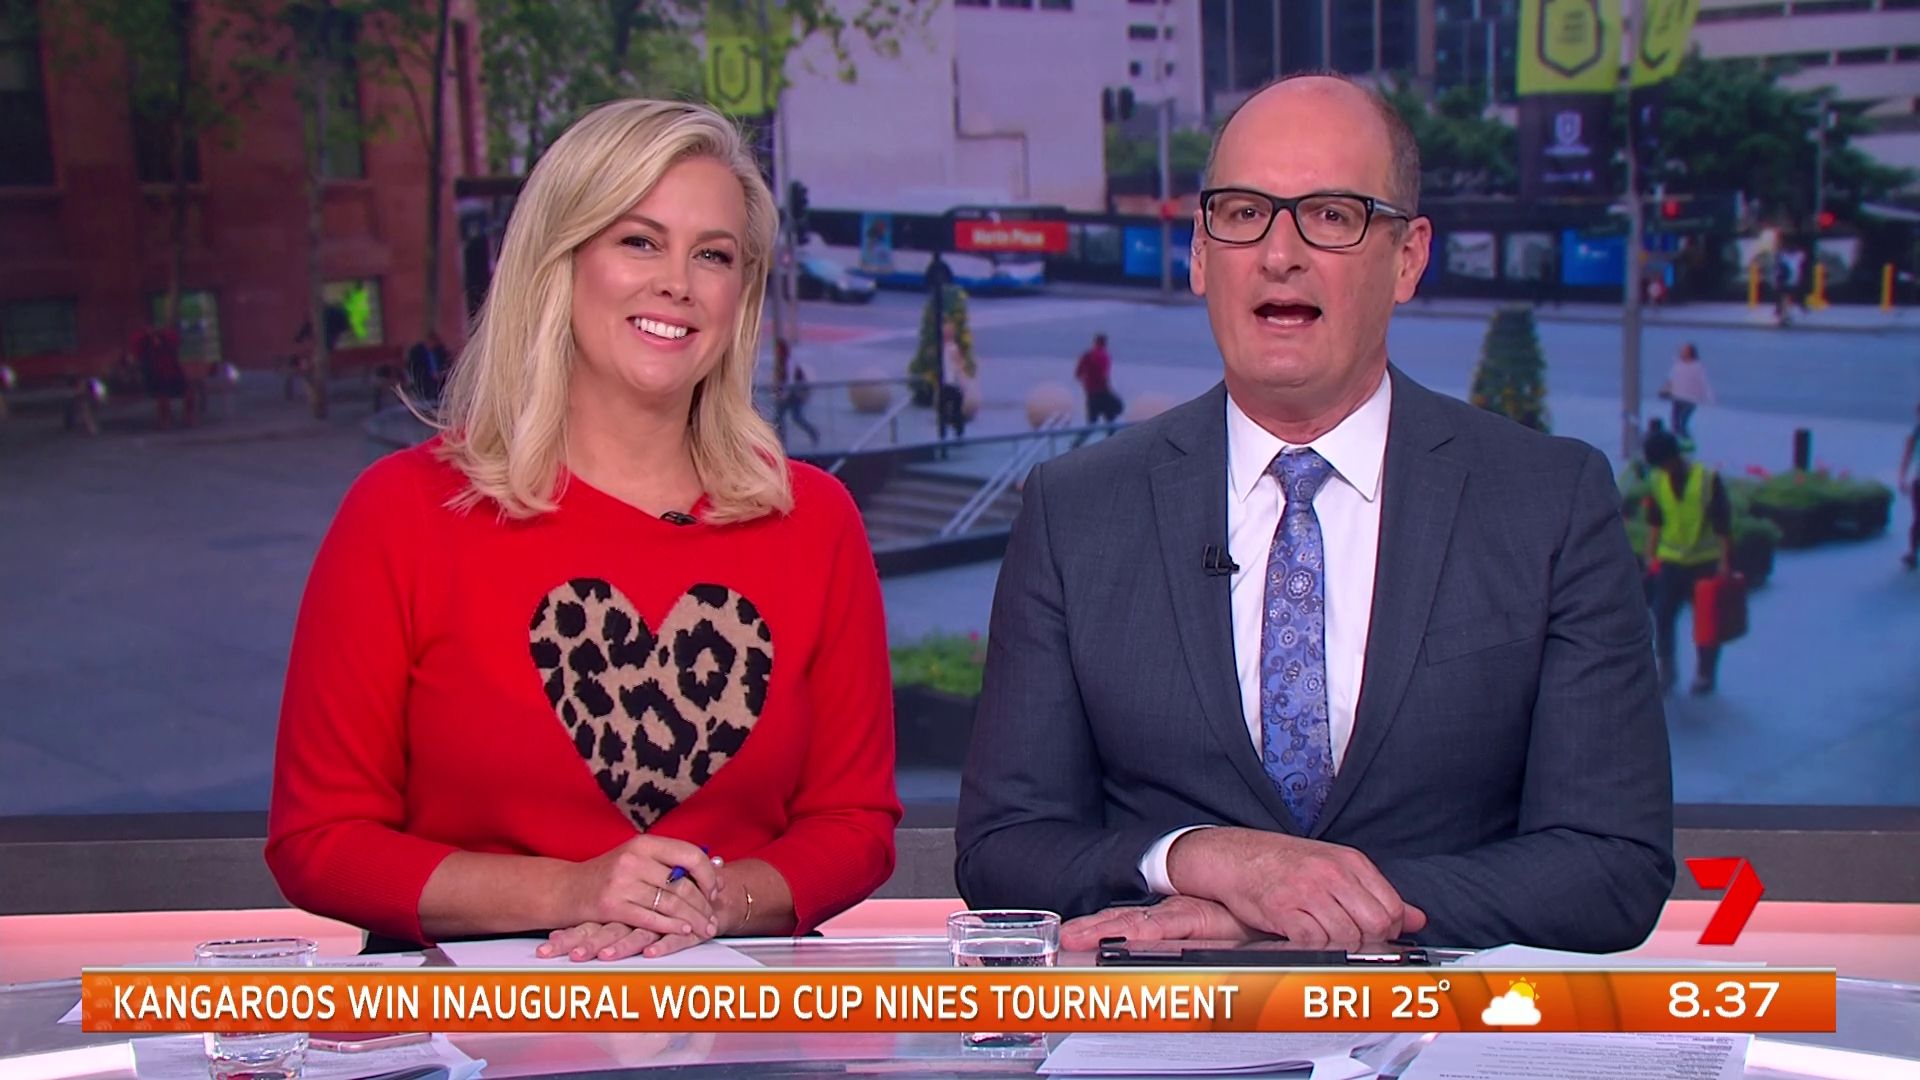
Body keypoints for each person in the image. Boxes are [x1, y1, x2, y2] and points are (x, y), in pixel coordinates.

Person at [955, 73, 1674, 954]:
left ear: (1408, 258)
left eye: (1331, 215)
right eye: (1243, 213)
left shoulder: (1548, 502)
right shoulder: (1076, 512)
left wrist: (1290, 907)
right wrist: (1200, 860)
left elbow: (1611, 863)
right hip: (1166, 1026)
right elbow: (1004, 849)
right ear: (1199, 255)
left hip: (1438, 1021)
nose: (1279, 253)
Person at [267, 99, 900, 962]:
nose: (677, 282)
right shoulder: (404, 512)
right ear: (558, 262)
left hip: (734, 1000)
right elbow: (321, 841)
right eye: (639, 241)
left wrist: (705, 903)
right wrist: (572, 892)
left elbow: (853, 823)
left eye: (712, 255)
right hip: (471, 1012)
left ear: (739, 294)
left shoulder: (815, 523)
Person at [1640, 428, 1733, 696]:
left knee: (1707, 621)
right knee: (1663, 614)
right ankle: (1667, 668)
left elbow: (1723, 525)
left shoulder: (1707, 479)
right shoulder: (1658, 479)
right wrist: (1650, 555)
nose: (1663, 469)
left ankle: (1705, 672)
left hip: (1704, 561)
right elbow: (1656, 522)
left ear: (1674, 457)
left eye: (1664, 464)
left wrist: (1725, 563)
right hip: (1671, 561)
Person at [128, 324, 193, 429]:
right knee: (162, 396)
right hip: (157, 373)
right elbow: (137, 350)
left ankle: (188, 417)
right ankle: (165, 420)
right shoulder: (144, 340)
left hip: (173, 371)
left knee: (188, 392)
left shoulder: (168, 337)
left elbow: (176, 341)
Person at [1659, 343, 1713, 445]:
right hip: (1677, 397)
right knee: (1675, 423)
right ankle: (1676, 444)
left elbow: (1704, 382)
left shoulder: (1697, 367)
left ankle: (1687, 443)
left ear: (1691, 353)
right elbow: (1670, 379)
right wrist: (1664, 390)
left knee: (1682, 423)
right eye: (1682, 351)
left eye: (1685, 351)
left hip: (1690, 399)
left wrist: (1710, 397)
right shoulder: (1678, 365)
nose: (1682, 353)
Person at [1074, 333, 1124, 441]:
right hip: (1102, 391)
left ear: (1095, 342)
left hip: (1091, 393)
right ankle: (1110, 443)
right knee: (1113, 415)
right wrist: (1108, 389)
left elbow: (1077, 374)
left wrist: (1087, 384)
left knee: (1092, 423)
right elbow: (1104, 376)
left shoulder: (1087, 355)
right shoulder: (1103, 356)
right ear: (1105, 343)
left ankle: (1076, 444)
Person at [771, 337, 819, 447]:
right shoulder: (780, 362)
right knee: (779, 418)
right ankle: (781, 441)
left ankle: (813, 433)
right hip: (788, 394)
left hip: (794, 394)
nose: (776, 351)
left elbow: (790, 380)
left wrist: (784, 394)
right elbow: (779, 378)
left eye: (777, 349)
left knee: (796, 418)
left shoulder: (789, 361)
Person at [406, 330, 451, 404]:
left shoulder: (439, 351)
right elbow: (414, 368)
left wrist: (440, 373)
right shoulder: (417, 353)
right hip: (425, 379)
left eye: (436, 343)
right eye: (433, 342)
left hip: (439, 379)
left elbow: (446, 364)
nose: (435, 345)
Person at [1900, 403, 1919, 571]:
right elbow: (1907, 457)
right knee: (1918, 519)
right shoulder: (1915, 435)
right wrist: (1902, 478)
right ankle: (1913, 553)